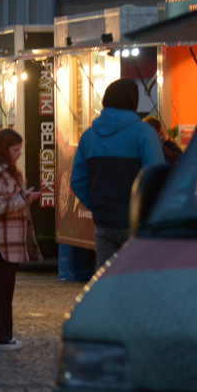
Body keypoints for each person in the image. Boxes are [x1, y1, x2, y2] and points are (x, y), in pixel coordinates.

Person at [70, 78, 164, 268]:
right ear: (133, 101)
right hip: (136, 222)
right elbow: (156, 177)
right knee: (136, 280)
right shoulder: (144, 133)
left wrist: (97, 205)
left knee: (106, 283)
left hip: (104, 222)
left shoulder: (89, 136)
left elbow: (77, 181)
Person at [0, 128, 42, 351]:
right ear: (4, 150)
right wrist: (25, 198)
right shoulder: (0, 173)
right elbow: (0, 206)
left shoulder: (0, 171)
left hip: (5, 240)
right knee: (1, 291)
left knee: (1, 290)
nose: (19, 153)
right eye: (16, 149)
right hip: (2, 241)